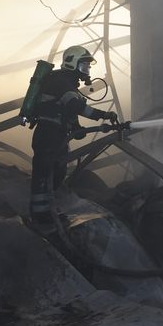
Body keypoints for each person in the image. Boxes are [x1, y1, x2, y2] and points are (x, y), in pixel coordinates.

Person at [29, 45, 117, 231]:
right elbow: (75, 106)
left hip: (57, 136)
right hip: (48, 135)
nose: (88, 70)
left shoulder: (68, 83)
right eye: (84, 65)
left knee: (57, 173)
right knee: (44, 175)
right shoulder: (60, 81)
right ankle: (40, 216)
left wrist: (76, 127)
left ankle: (49, 211)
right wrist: (103, 115)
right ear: (72, 63)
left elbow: (67, 110)